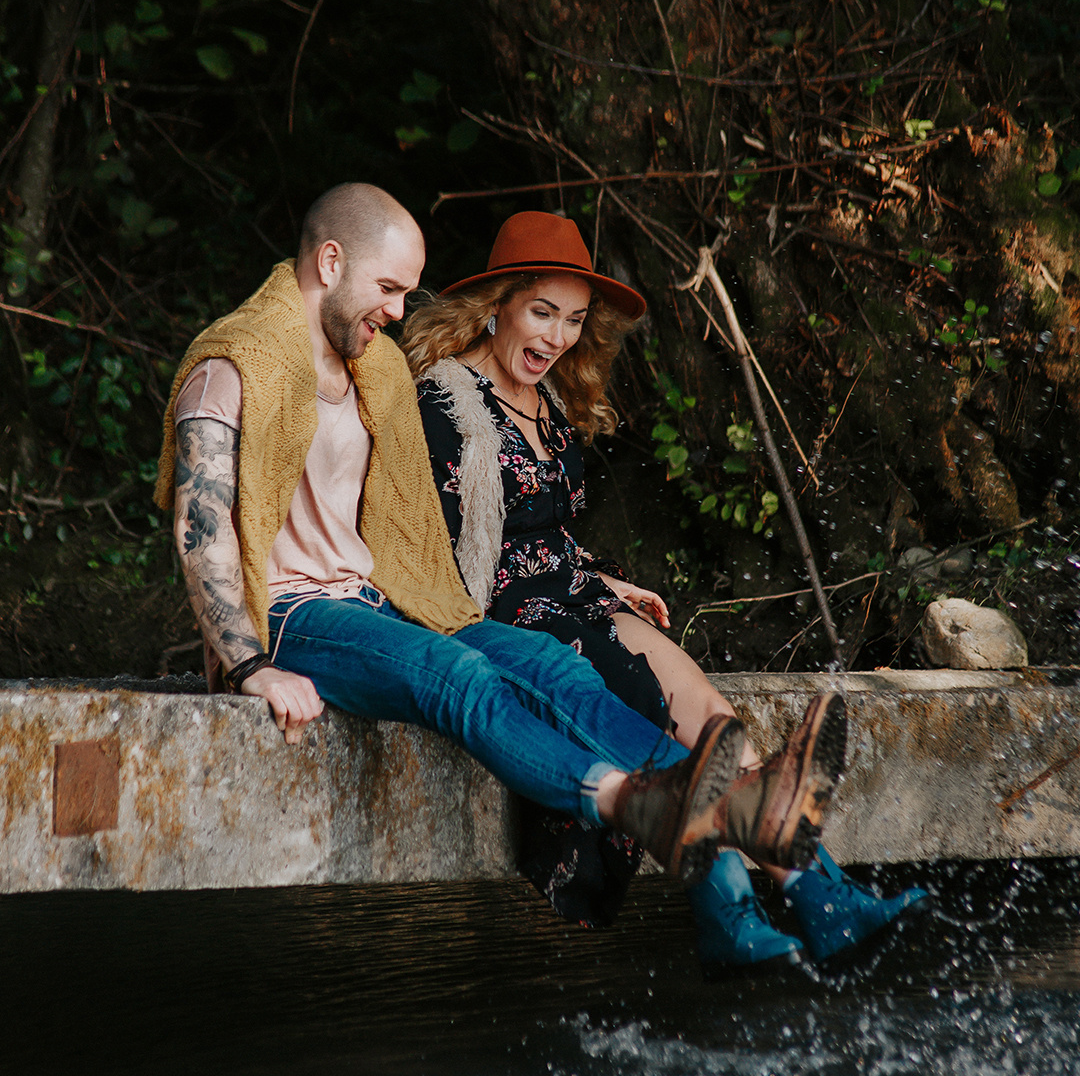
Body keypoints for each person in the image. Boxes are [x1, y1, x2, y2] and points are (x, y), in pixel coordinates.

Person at [154, 184, 848, 911]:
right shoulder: (231, 366)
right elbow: (202, 529)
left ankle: (740, 807)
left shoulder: (374, 369)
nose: (397, 312)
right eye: (388, 289)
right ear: (330, 261)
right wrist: (248, 666)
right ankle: (628, 802)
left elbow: (409, 535)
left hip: (378, 603)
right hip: (291, 616)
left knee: (551, 665)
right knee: (456, 674)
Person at [404, 210, 927, 968]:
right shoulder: (445, 401)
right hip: (506, 617)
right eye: (541, 313)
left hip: (573, 596)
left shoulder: (545, 404)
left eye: (574, 321)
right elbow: (445, 552)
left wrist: (599, 577)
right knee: (664, 732)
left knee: (716, 721)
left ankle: (823, 897)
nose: (555, 338)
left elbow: (538, 529)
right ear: (497, 305)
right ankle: (729, 909)